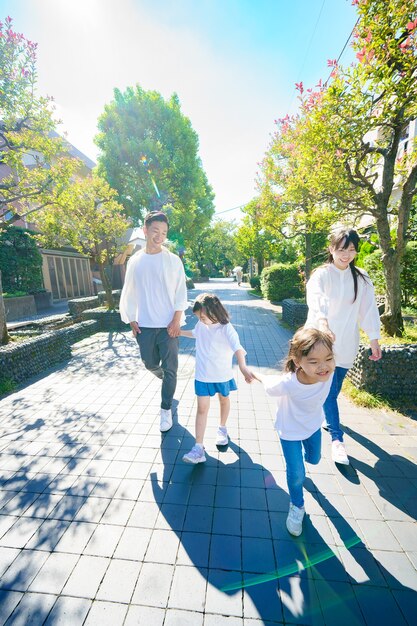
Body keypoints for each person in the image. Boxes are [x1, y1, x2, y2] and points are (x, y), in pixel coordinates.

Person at [305, 227, 382, 465]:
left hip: (347, 343)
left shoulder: (361, 277)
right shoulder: (322, 274)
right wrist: (324, 324)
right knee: (328, 391)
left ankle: (324, 418)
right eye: (341, 249)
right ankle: (337, 441)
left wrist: (374, 338)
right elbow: (318, 299)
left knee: (332, 391)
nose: (346, 254)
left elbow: (368, 309)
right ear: (331, 249)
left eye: (351, 249)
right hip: (320, 342)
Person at [254, 327, 335, 537]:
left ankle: (304, 469)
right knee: (297, 473)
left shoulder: (330, 372)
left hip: (313, 426)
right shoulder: (288, 383)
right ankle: (297, 506)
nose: (323, 367)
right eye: (314, 362)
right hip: (289, 431)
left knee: (315, 459)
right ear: (298, 361)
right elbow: (268, 384)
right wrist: (253, 373)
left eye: (328, 358)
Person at [119, 211, 188, 433]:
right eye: (156, 231)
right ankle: (166, 381)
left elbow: (181, 292)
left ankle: (166, 408)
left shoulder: (173, 260)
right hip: (145, 326)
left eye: (164, 232)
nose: (160, 236)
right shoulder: (135, 262)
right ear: (145, 230)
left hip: (169, 326)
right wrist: (131, 319)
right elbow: (128, 291)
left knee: (171, 370)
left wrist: (177, 321)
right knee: (149, 364)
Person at [180, 292, 256, 464]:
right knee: (201, 409)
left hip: (221, 375)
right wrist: (179, 332)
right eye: (199, 317)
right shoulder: (201, 325)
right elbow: (195, 333)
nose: (201, 321)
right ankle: (198, 448)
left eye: (204, 317)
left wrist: (243, 367)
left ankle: (222, 428)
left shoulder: (226, 328)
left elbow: (237, 348)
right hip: (202, 376)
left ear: (216, 313)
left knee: (224, 400)